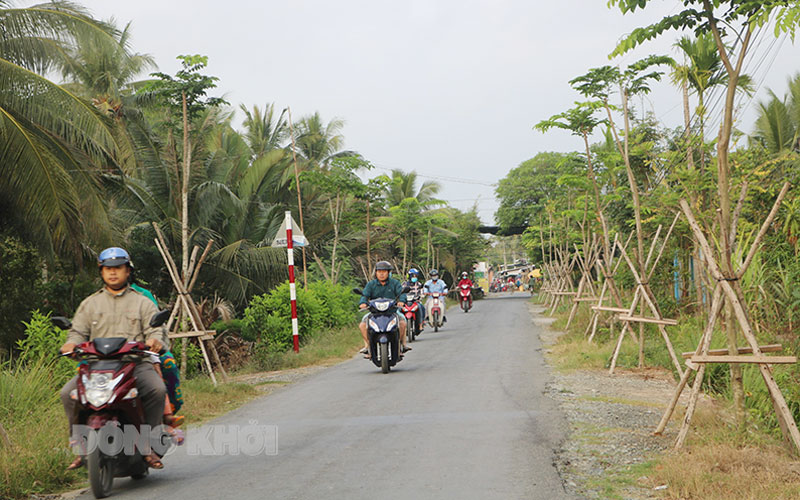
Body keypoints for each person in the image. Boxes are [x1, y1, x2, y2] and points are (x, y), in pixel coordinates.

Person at [59, 247, 168, 470]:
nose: (113, 273)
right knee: (68, 394)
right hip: (96, 367)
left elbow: (156, 329)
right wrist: (70, 344)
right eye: (108, 269)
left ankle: (149, 444)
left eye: (118, 268)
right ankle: (79, 446)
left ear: (128, 271)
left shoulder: (142, 302)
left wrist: (155, 341)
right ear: (101, 272)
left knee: (157, 390)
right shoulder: (90, 304)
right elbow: (77, 332)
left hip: (134, 364)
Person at [358, 261, 409, 357]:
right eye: (379, 271)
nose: (381, 274)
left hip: (392, 312)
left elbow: (402, 293)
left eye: (384, 271)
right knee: (362, 325)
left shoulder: (395, 283)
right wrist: (363, 303)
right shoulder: (371, 284)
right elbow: (365, 295)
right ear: (376, 273)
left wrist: (401, 301)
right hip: (374, 313)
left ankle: (401, 345)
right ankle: (368, 346)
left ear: (389, 273)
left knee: (402, 322)